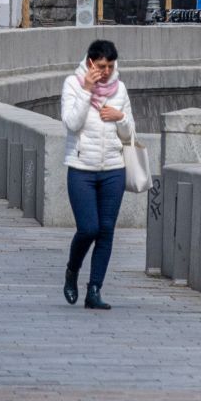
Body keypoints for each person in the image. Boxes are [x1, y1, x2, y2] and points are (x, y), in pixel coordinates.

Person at [60, 37, 135, 310]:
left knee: (106, 230)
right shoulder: (72, 84)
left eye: (111, 66)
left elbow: (129, 133)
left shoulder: (120, 90)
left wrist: (121, 118)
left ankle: (94, 289)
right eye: (102, 66)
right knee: (88, 228)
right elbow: (71, 123)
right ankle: (72, 270)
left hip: (114, 168)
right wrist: (87, 91)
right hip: (82, 169)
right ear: (90, 62)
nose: (106, 72)